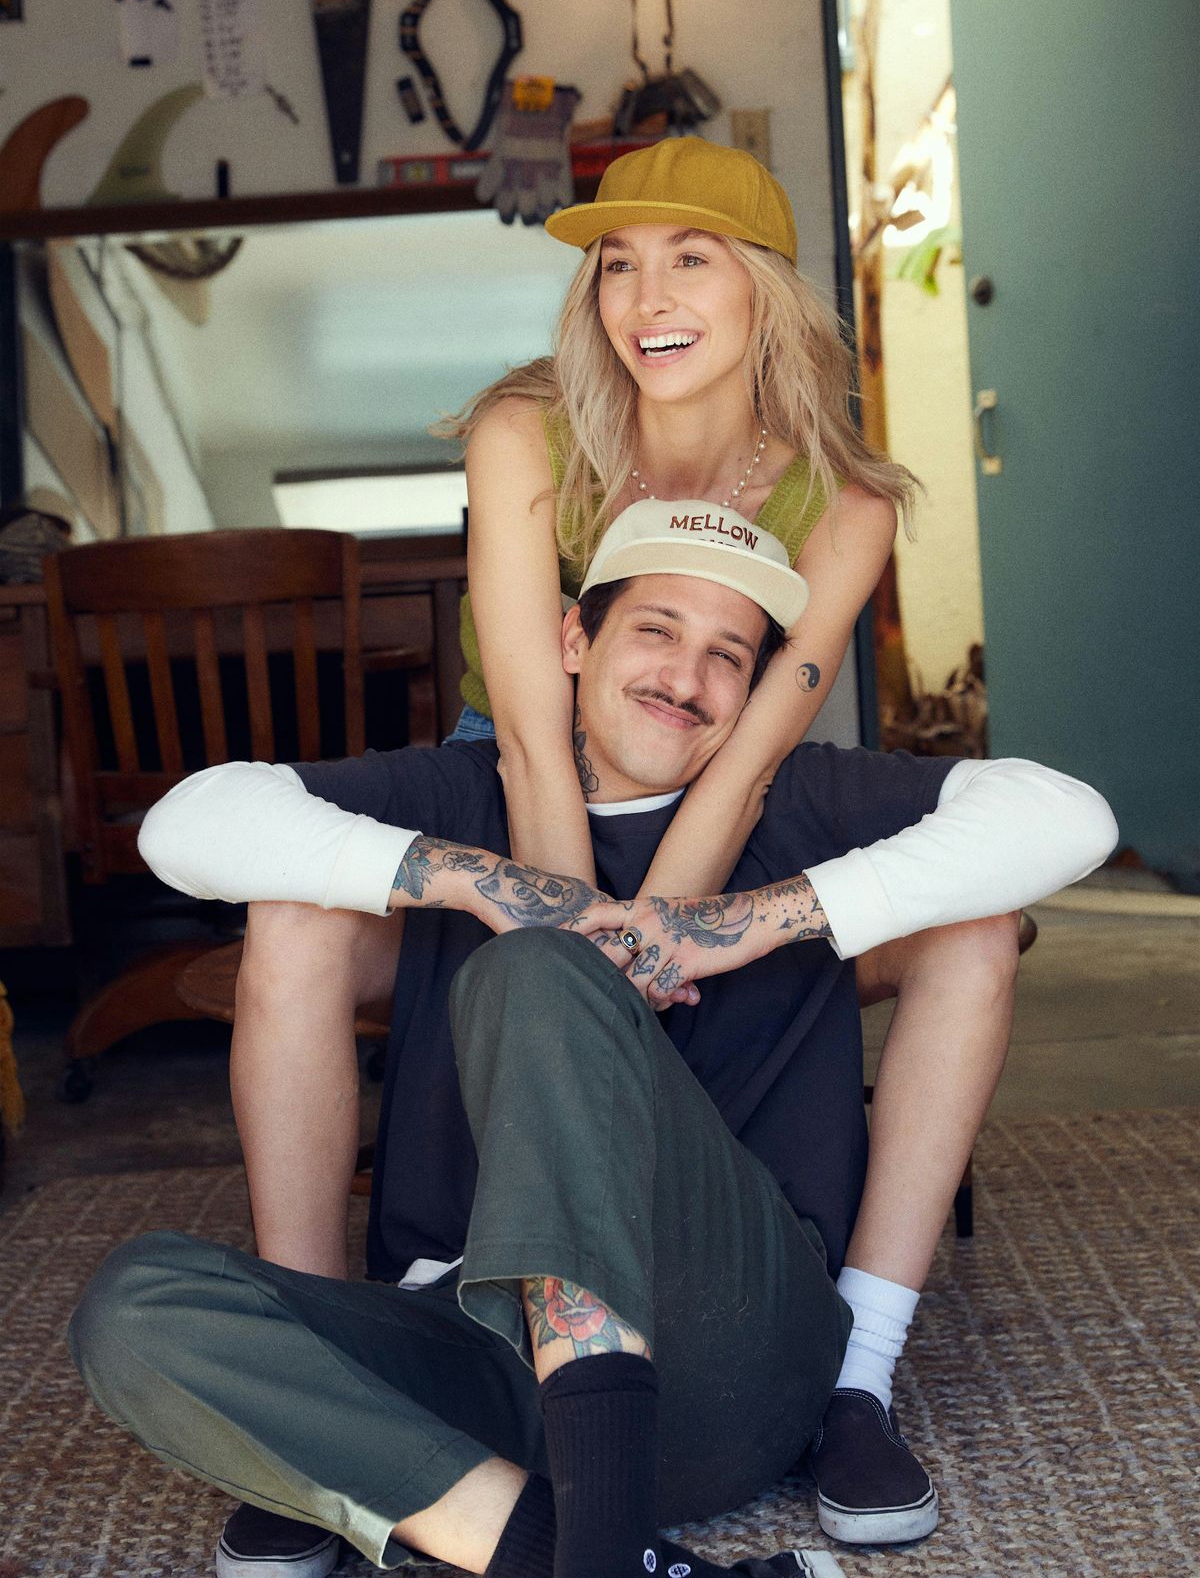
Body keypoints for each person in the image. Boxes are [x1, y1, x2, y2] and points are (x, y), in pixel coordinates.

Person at [71, 503, 1117, 1578]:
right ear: (575, 639)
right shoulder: (465, 791)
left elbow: (1069, 817)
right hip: (476, 1355)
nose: (686, 678)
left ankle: (852, 1394)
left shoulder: (803, 797)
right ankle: (596, 1554)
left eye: (728, 656)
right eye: (656, 630)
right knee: (131, 1309)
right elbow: (187, 823)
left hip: (731, 1355)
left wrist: (750, 921)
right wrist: (482, 882)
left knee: (547, 972)